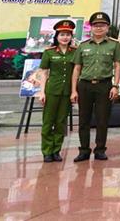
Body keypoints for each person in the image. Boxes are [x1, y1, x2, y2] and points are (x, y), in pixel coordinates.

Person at [71, 11, 120, 162]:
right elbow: (77, 69)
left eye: (102, 25)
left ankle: (100, 149)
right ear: (91, 28)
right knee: (83, 119)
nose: (99, 28)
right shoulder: (83, 46)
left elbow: (117, 66)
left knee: (102, 119)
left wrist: (115, 86)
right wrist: (74, 90)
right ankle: (84, 150)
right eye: (95, 25)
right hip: (85, 86)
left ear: (107, 27)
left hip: (104, 85)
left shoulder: (114, 45)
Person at [36, 19, 77, 163]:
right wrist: (42, 92)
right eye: (62, 35)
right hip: (52, 91)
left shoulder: (75, 52)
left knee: (61, 122)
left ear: (71, 37)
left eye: (68, 34)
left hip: (67, 92)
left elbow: (76, 72)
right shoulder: (49, 52)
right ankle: (47, 151)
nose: (65, 37)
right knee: (48, 122)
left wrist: (74, 91)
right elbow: (44, 73)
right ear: (57, 37)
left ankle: (56, 150)